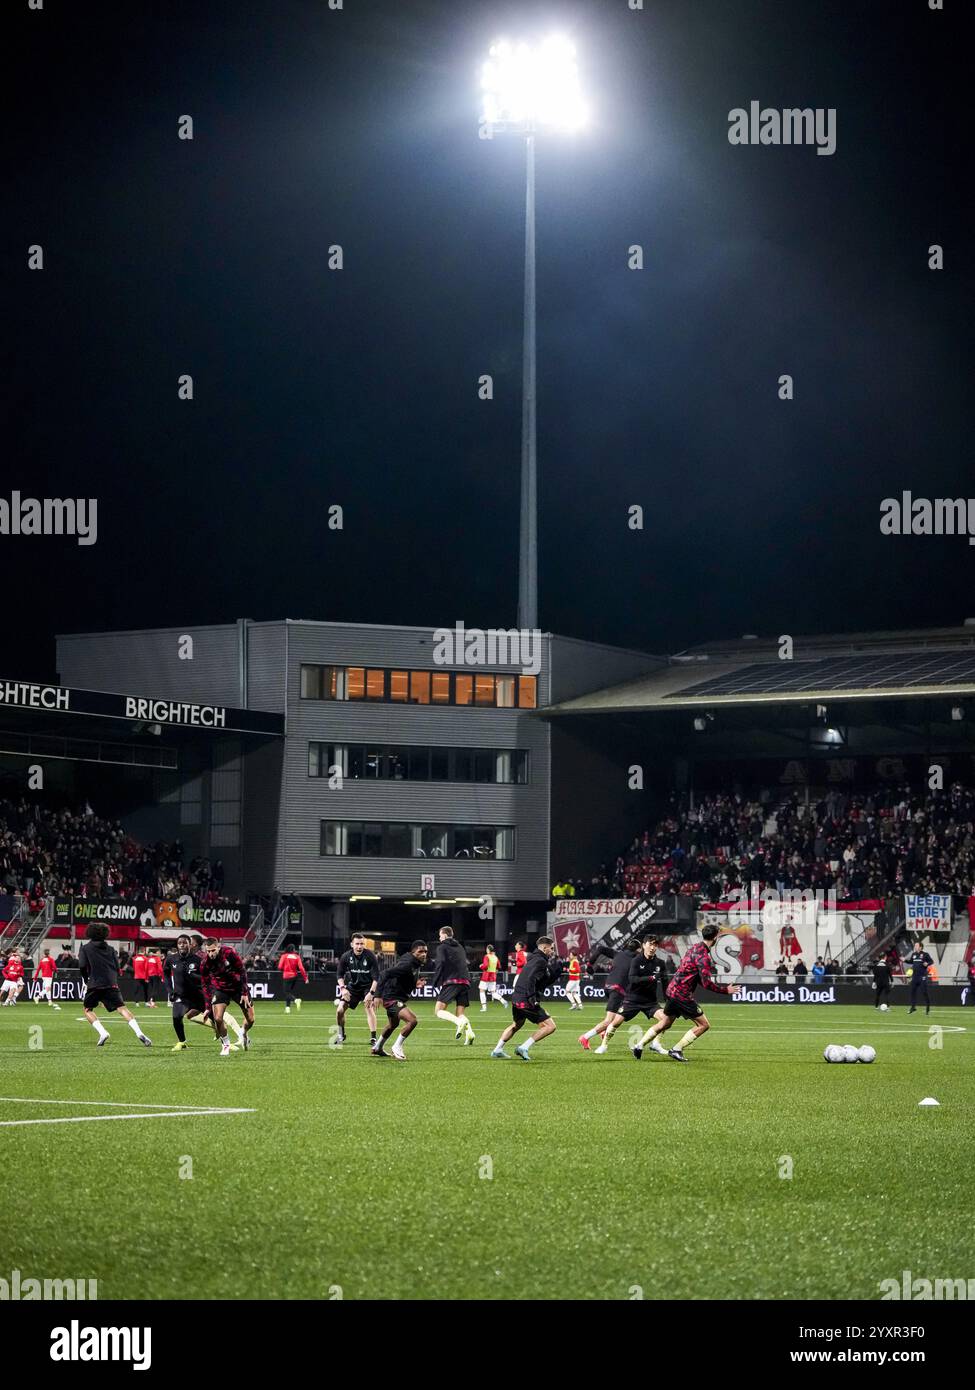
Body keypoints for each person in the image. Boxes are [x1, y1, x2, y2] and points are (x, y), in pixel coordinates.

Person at [632, 924, 740, 1062]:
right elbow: (706, 983)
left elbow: (693, 974)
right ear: (715, 938)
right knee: (704, 1025)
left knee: (665, 1023)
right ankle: (676, 1049)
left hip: (672, 991)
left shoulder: (694, 948)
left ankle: (639, 1045)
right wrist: (726, 990)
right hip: (682, 995)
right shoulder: (704, 957)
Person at [491, 936, 565, 1062]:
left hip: (517, 997)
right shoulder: (540, 961)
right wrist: (531, 998)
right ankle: (523, 1047)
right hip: (526, 998)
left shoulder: (535, 959)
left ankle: (497, 1049)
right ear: (544, 948)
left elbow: (539, 982)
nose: (552, 951)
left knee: (517, 1024)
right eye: (551, 948)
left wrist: (554, 975)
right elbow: (531, 979)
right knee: (550, 1026)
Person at [77, 924, 152, 1048]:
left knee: (88, 1009)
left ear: (89, 933)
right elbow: (117, 968)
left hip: (94, 983)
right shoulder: (111, 949)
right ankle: (139, 1033)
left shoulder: (85, 948)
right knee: (122, 1008)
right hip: (111, 983)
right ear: (105, 934)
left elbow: (82, 965)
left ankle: (103, 1033)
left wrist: (86, 979)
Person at [594, 937, 667, 1055]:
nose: (652, 948)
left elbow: (665, 981)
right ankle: (603, 1045)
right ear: (643, 945)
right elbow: (632, 979)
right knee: (616, 1022)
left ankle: (656, 1044)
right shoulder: (636, 960)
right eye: (650, 944)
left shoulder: (660, 963)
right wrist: (650, 978)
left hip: (650, 1002)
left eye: (655, 945)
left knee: (666, 1019)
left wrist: (667, 998)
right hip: (632, 999)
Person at [578, 939, 640, 1051]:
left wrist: (589, 964)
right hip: (618, 989)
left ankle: (604, 1031)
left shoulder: (618, 953)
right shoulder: (636, 959)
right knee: (609, 1020)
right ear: (638, 949)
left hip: (608, 987)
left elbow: (600, 949)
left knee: (619, 1014)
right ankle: (585, 1037)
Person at [372, 941, 429, 1061]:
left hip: (395, 996)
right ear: (413, 953)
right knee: (412, 1020)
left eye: (425, 951)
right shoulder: (407, 964)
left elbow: (403, 978)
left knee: (393, 1024)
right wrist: (377, 995)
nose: (424, 954)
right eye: (420, 952)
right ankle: (397, 1047)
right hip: (391, 997)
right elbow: (384, 973)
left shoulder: (414, 962)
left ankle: (378, 1047)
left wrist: (415, 983)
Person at [201, 939, 255, 1056]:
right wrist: (207, 1006)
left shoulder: (229, 953)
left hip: (238, 988)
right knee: (218, 1018)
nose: (211, 953)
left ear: (218, 947)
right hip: (221, 989)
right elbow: (205, 984)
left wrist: (244, 993)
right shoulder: (205, 962)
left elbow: (242, 971)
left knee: (250, 1020)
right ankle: (225, 1044)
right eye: (208, 951)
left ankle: (243, 1032)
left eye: (213, 950)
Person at [167, 933, 214, 1051]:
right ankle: (182, 1042)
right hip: (181, 996)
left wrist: (194, 976)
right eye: (179, 943)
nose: (182, 945)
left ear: (190, 945)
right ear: (177, 945)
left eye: (184, 943)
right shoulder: (171, 959)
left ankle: (226, 1042)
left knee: (216, 1018)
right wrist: (170, 990)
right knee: (176, 1017)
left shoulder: (198, 960)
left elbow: (207, 977)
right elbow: (166, 974)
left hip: (198, 996)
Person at [431, 926, 475, 1044]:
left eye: (440, 936)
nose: (439, 938)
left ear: (444, 935)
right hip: (465, 981)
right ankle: (470, 1034)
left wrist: (435, 981)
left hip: (452, 981)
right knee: (460, 1013)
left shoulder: (442, 947)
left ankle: (459, 1023)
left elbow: (440, 963)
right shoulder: (460, 946)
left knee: (438, 1010)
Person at [335, 933, 380, 1045]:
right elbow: (339, 975)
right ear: (352, 944)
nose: (360, 946)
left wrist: (371, 993)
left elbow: (376, 977)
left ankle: (374, 1038)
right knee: (339, 1010)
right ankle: (341, 1035)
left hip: (368, 987)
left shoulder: (370, 956)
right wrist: (343, 989)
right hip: (353, 987)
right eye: (357, 944)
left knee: (369, 1008)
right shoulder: (346, 956)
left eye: (362, 944)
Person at [277, 943, 308, 1013]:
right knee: (289, 992)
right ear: (293, 950)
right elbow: (301, 968)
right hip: (294, 977)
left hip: (287, 976)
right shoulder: (297, 956)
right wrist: (305, 978)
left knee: (286, 992)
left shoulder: (284, 956)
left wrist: (283, 969)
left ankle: (296, 1000)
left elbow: (279, 967)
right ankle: (287, 1008)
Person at [906, 940, 934, 1015]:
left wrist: (927, 963)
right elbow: (911, 961)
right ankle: (913, 1007)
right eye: (915, 946)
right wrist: (905, 960)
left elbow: (932, 961)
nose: (915, 947)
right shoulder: (914, 954)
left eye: (916, 945)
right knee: (912, 992)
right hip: (915, 977)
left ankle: (927, 1009)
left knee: (924, 993)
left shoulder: (925, 954)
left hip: (922, 977)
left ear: (920, 947)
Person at [478, 945, 505, 1010]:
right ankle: (503, 1001)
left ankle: (484, 1007)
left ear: (488, 950)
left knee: (482, 991)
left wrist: (481, 966)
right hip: (493, 976)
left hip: (486, 976)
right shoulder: (495, 957)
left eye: (487, 949)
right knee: (493, 993)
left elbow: (485, 966)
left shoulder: (486, 956)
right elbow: (499, 966)